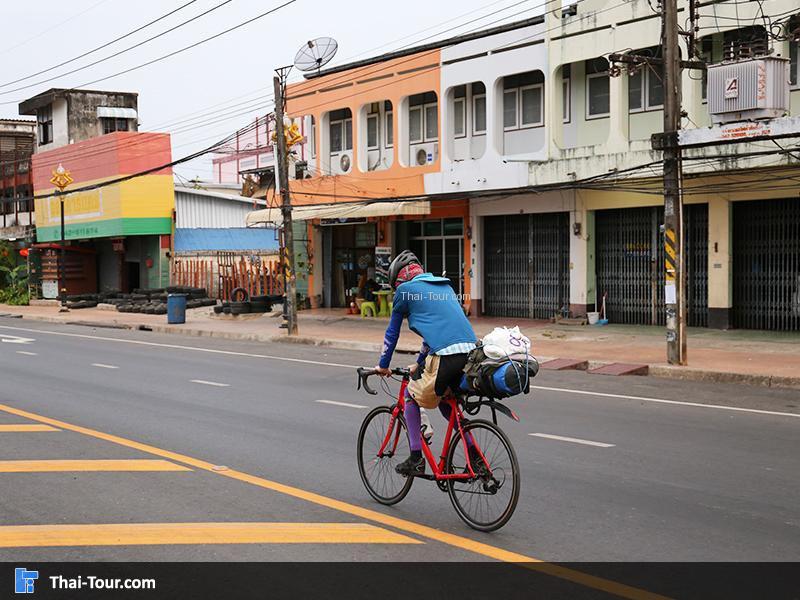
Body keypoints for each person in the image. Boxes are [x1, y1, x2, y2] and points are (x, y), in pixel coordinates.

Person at [374, 250, 479, 476]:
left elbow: (391, 334)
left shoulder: (404, 292)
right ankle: (476, 457)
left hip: (447, 357)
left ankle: (415, 458)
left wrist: (383, 365)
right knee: (445, 401)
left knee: (410, 396)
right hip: (472, 357)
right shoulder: (445, 287)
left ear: (398, 279)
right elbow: (436, 333)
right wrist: (419, 362)